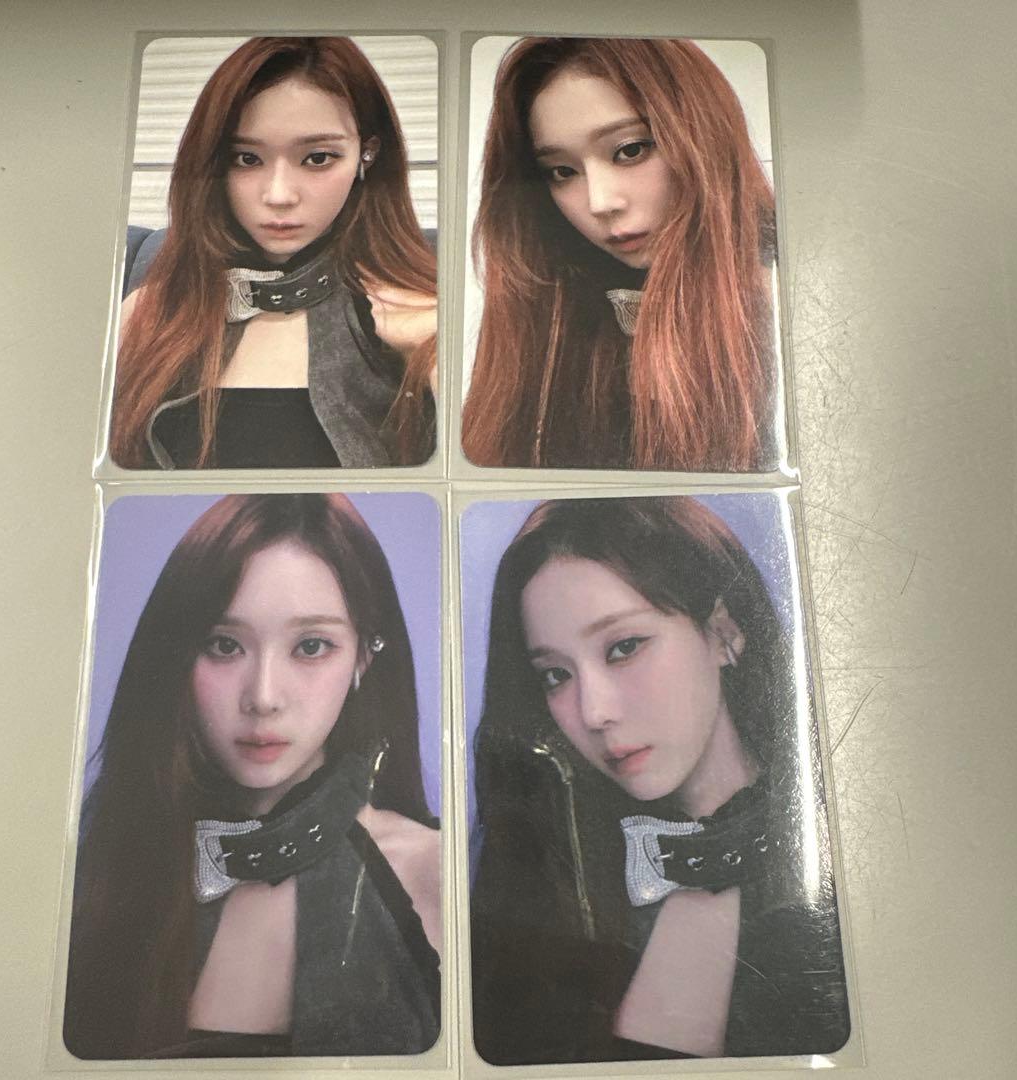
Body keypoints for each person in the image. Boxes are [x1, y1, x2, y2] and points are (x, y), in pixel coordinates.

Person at [469, 497, 849, 1064]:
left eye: (624, 648)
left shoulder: (847, 854)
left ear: (723, 630)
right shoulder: (549, 890)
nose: (593, 712)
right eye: (555, 675)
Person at [64, 494, 441, 1059]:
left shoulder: (436, 873)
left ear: (364, 657)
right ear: (177, 657)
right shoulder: (100, 873)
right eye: (224, 645)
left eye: (310, 646)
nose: (263, 697)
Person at [112, 37, 437, 470]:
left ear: (368, 155)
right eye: (246, 159)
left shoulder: (425, 315)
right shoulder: (146, 315)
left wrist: (437, 354)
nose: (279, 195)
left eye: (318, 158)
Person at [462, 37, 778, 471]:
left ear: (704, 136)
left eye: (630, 150)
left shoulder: (790, 306)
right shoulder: (554, 323)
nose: (600, 202)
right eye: (562, 171)